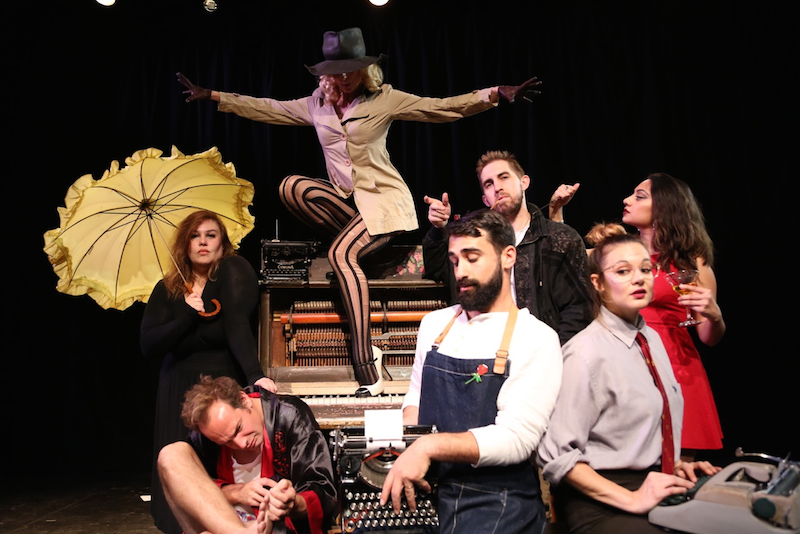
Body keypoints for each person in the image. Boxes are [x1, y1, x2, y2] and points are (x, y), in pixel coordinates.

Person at [176, 27, 541, 397]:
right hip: (349, 208)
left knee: (340, 254)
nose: (346, 78)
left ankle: (368, 366)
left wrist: (493, 94)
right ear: (327, 73)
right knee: (291, 187)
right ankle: (348, 242)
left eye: (352, 70)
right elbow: (268, 108)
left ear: (365, 69)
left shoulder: (384, 99)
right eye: (338, 71)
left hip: (386, 206)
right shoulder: (316, 104)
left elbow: (442, 107)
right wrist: (215, 96)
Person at [381, 209, 563, 533]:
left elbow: (516, 439)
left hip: (499, 502)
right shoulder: (434, 325)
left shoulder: (536, 337)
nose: (460, 271)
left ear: (508, 256)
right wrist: (372, 437)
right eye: (454, 261)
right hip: (429, 489)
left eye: (472, 257)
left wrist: (427, 447)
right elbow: (416, 402)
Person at [537, 231, 720, 534]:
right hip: (602, 501)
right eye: (623, 271)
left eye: (646, 269)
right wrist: (632, 498)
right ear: (597, 282)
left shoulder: (651, 340)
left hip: (653, 484)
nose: (639, 279)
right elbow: (556, 456)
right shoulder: (584, 354)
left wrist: (674, 466)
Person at [141, 210, 278, 534]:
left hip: (221, 383)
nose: (202, 242)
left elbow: (236, 326)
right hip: (178, 386)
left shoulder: (233, 272)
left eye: (211, 235)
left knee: (217, 460)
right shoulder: (168, 288)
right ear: (185, 243)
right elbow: (148, 345)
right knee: (179, 461)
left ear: (222, 243)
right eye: (195, 235)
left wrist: (254, 374)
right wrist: (186, 316)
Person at [422, 150, 593, 345]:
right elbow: (437, 268)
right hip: (479, 350)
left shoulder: (560, 239)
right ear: (485, 199)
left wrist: (555, 357)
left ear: (524, 182)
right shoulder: (474, 244)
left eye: (504, 177)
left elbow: (579, 310)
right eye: (489, 184)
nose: (497, 187)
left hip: (539, 351)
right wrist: (438, 228)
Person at [622, 174, 725, 460]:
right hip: (628, 362)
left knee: (677, 475)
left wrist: (714, 316)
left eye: (639, 196)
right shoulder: (621, 256)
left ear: (665, 208)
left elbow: (707, 336)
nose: (627, 200)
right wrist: (557, 214)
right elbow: (569, 258)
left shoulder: (691, 263)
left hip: (676, 366)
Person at [158, 375, 337, 534]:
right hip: (230, 527)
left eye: (238, 429)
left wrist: (294, 502)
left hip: (276, 527)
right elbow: (188, 493)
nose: (241, 444)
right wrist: (236, 493)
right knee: (170, 454)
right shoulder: (209, 436)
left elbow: (324, 493)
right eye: (226, 442)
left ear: (244, 400)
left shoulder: (290, 415)